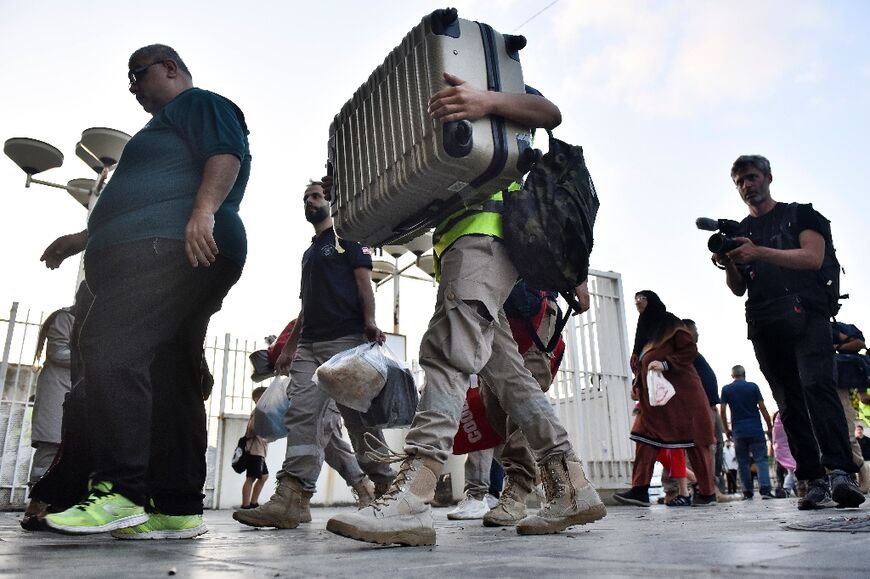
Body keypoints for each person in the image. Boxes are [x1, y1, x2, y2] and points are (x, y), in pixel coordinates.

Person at [327, 73, 605, 547]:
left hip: (487, 235)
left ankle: (413, 496)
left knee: (447, 353)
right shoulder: (438, 116)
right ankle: (571, 486)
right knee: (509, 378)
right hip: (460, 244)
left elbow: (549, 113)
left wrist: (484, 100)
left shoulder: (490, 91)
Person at [40, 44, 251, 539]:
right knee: (172, 371)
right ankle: (176, 508)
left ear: (171, 68)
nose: (133, 87)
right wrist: (83, 238)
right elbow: (142, 194)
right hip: (169, 246)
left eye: (137, 74)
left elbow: (226, 153)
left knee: (108, 346)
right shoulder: (166, 129)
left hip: (171, 245)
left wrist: (201, 213)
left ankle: (120, 491)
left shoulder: (198, 104)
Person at [234, 180, 396, 530]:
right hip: (309, 345)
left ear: (333, 202)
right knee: (303, 415)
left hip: (346, 342)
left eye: (316, 196)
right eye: (305, 197)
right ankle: (292, 498)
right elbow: (306, 306)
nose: (309, 202)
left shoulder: (350, 236)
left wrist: (369, 322)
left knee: (358, 421)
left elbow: (363, 282)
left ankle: (385, 489)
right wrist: (291, 348)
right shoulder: (310, 253)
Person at [715, 154, 863, 510]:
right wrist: (731, 262)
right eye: (739, 182)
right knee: (788, 402)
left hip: (808, 314)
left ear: (768, 177)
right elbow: (737, 288)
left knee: (817, 387)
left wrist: (759, 252)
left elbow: (812, 257)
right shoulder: (740, 232)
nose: (746, 186)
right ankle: (812, 479)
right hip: (765, 322)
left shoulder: (800, 215)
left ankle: (841, 472)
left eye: (751, 177)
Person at [613, 291, 716, 508]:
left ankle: (707, 493)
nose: (638, 303)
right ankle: (640, 490)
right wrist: (636, 386)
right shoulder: (644, 333)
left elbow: (689, 349)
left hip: (683, 396)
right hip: (656, 400)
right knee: (644, 437)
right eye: (636, 300)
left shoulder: (672, 324)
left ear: (652, 301)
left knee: (695, 440)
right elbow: (640, 365)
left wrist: (667, 363)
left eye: (642, 299)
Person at [21, 307, 74, 529]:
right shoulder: (65, 318)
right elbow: (58, 352)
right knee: (50, 447)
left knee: (71, 449)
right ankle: (37, 505)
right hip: (56, 390)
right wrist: (93, 352)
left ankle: (60, 504)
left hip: (76, 390)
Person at [681, 319, 725, 493]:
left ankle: (709, 486)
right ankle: (703, 487)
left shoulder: (691, 352)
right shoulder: (683, 352)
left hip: (708, 406)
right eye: (695, 329)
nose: (697, 333)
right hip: (699, 408)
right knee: (703, 447)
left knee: (713, 447)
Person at [720, 366, 775, 500]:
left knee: (743, 462)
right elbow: (762, 407)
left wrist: (726, 430)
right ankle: (766, 491)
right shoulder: (753, 387)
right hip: (756, 429)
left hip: (738, 431)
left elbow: (722, 410)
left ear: (732, 375)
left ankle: (747, 492)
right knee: (761, 460)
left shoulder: (726, 389)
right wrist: (769, 426)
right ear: (744, 374)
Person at [240, 387, 270, 510]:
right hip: (255, 451)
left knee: (264, 476)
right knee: (251, 478)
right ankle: (246, 505)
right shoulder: (259, 411)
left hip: (259, 451)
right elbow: (252, 428)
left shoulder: (262, 411)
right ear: (258, 399)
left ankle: (253, 502)